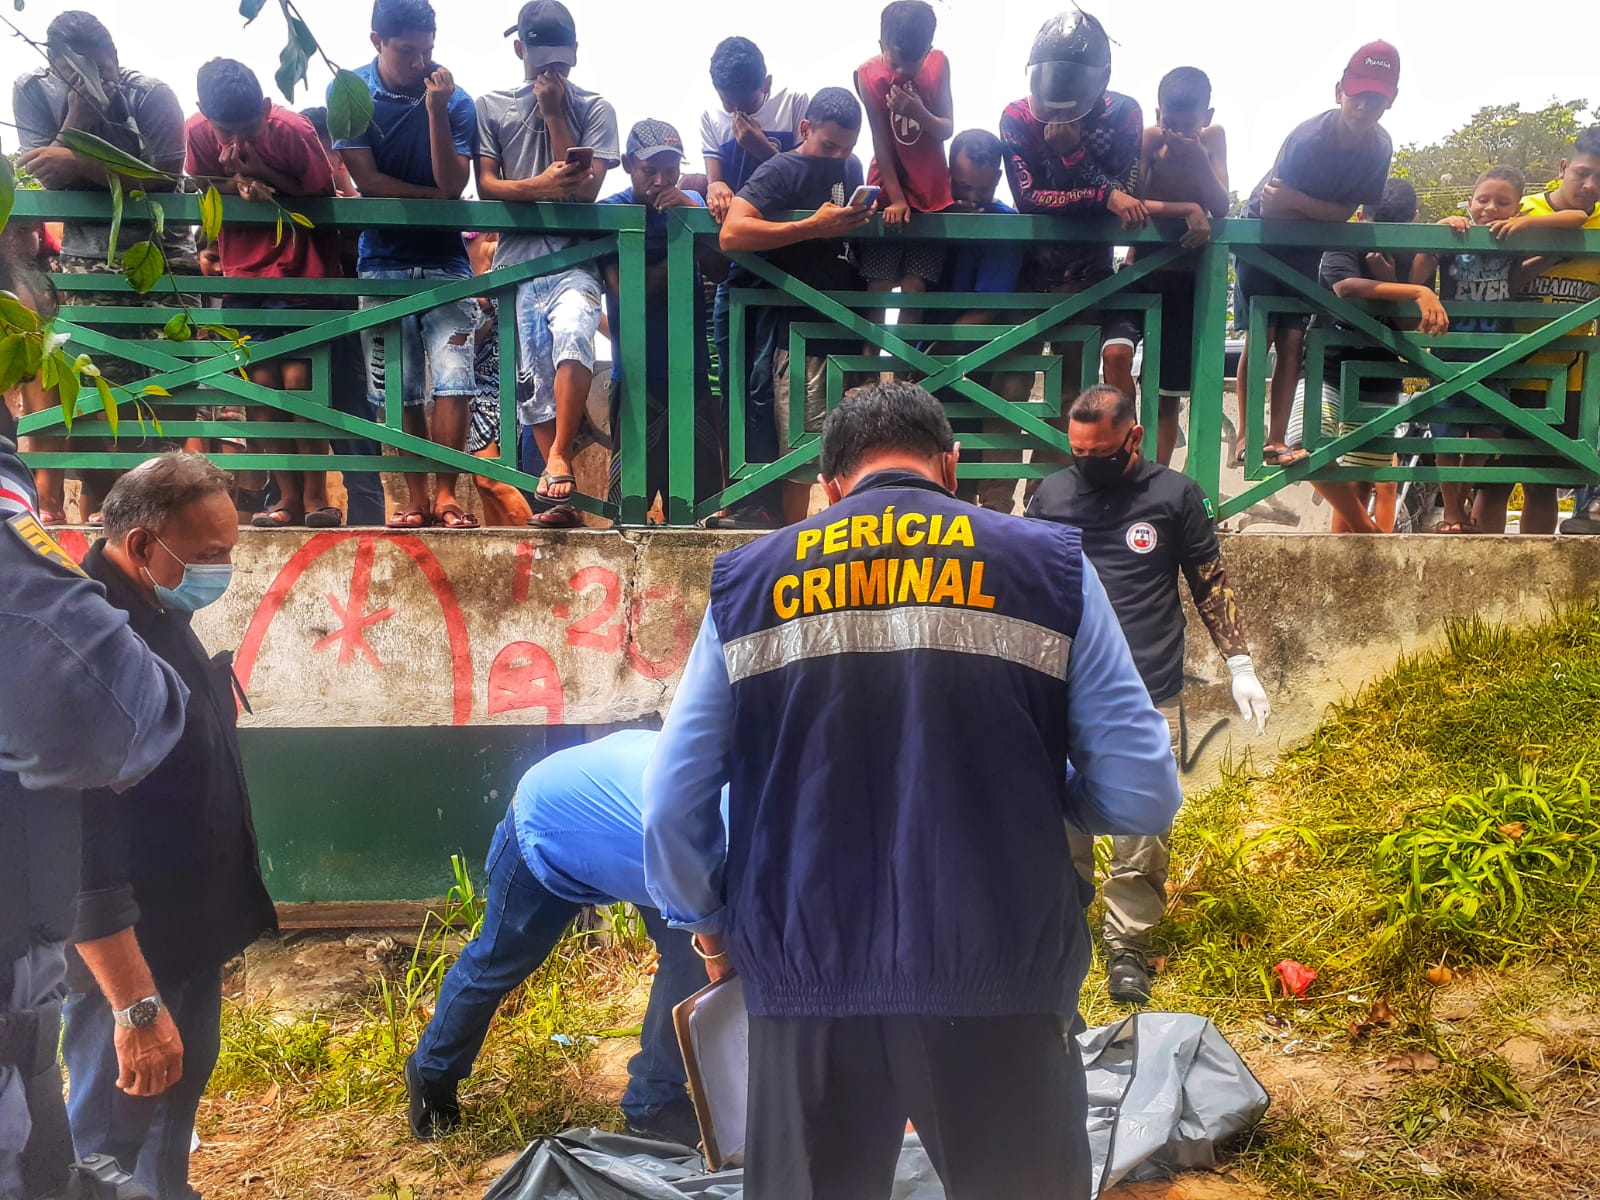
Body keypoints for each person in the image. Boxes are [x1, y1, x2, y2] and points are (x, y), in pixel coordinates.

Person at [643, 381, 1183, 1200]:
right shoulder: (1049, 566)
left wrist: (710, 928)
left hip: (807, 985)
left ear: (828, 486)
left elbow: (672, 803)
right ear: (952, 466)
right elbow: (1144, 792)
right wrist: (1055, 795)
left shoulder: (748, 582)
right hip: (1001, 975)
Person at [1, 261, 188, 1200]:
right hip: (78, 959)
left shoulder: (161, 616)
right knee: (96, 1126)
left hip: (155, 939)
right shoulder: (77, 613)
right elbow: (112, 728)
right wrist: (136, 995)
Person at [62, 454, 277, 1200]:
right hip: (131, 963)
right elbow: (85, 852)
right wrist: (135, 1006)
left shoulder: (162, 609)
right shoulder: (95, 649)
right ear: (145, 546)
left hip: (188, 937)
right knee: (112, 1144)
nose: (225, 569)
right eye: (212, 555)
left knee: (168, 1124)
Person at [1027, 384, 1270, 1004]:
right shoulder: (1051, 494)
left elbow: (1209, 580)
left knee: (1142, 827)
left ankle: (1128, 944)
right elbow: (1024, 585)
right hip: (1059, 689)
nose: (1089, 463)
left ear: (1133, 437)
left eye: (1102, 452)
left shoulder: (1174, 495)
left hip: (1145, 692)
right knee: (1058, 821)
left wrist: (1240, 661)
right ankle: (1062, 930)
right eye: (1079, 451)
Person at [405, 731, 710, 1148]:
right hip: (549, 822)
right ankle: (431, 1071)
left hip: (632, 830)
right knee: (498, 961)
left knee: (688, 956)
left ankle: (654, 1103)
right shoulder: (718, 838)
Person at [12, 10, 197, 524]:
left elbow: (163, 178)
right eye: (66, 73)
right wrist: (77, 117)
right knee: (95, 389)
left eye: (92, 72)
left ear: (112, 59)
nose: (88, 81)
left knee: (172, 385)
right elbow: (44, 176)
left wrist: (78, 163)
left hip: (165, 258)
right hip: (85, 257)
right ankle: (117, 508)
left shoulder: (151, 94)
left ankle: (159, 510)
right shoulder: (33, 90)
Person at [333, 0, 482, 531]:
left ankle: (447, 497)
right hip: (382, 262)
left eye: (428, 50)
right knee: (399, 387)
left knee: (454, 378)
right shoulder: (350, 93)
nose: (421, 62)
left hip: (446, 261)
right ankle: (416, 498)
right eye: (407, 51)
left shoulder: (455, 99)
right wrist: (430, 198)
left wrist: (435, 110)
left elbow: (452, 185)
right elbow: (366, 182)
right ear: (377, 41)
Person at [186, 57, 346, 531]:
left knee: (300, 384)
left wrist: (268, 184)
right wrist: (231, 185)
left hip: (301, 272)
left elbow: (323, 195)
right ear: (205, 114)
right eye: (225, 131)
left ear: (264, 106)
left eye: (246, 128)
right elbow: (200, 185)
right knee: (260, 388)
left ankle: (318, 497)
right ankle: (287, 497)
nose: (235, 140)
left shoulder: (292, 130)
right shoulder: (196, 133)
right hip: (243, 274)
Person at [476, 0, 618, 529]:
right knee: (532, 379)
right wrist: (537, 187)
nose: (553, 72)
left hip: (574, 257)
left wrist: (557, 114)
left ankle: (558, 458)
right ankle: (560, 496)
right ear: (521, 51)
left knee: (576, 330)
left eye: (562, 61)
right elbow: (487, 186)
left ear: (576, 54)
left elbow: (584, 192)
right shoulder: (490, 105)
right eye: (542, 62)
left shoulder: (596, 108)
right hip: (516, 265)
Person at [1234, 40, 1399, 470]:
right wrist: (1323, 213)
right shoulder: (1307, 137)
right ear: (1339, 90)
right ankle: (1246, 434)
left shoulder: (1380, 147)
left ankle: (1274, 439)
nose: (1364, 106)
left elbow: (1351, 214)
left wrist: (1302, 204)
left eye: (1375, 99)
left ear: (1390, 101)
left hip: (1305, 247)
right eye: (1358, 95)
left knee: (1294, 341)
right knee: (1262, 333)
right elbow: (1272, 207)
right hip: (1261, 240)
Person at [717, 88, 875, 526]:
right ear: (805, 129)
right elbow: (731, 234)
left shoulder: (851, 166)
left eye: (847, 147)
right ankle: (794, 544)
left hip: (843, 323)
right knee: (803, 455)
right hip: (797, 330)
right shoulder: (781, 169)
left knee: (843, 452)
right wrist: (810, 227)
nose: (838, 156)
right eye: (829, 146)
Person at [999, 11, 1145, 424]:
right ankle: (994, 492)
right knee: (1009, 386)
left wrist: (1073, 155)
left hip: (1088, 281)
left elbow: (1125, 194)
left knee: (1071, 396)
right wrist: (1102, 194)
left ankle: (1048, 490)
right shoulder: (1017, 116)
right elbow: (1029, 199)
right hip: (1028, 278)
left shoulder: (1124, 114)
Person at [1287, 179, 1445, 534]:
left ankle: (1347, 558)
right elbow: (1346, 289)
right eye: (1376, 224)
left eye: (1396, 228)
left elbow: (1410, 326)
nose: (1384, 235)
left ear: (1413, 221)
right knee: (1302, 445)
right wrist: (1416, 290)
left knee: (1361, 474)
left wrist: (1404, 286)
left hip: (1380, 372)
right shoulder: (1346, 242)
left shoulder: (1416, 256)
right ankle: (1370, 532)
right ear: (1361, 216)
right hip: (1327, 366)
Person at [699, 37, 808, 530]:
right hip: (739, 273)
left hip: (788, 273)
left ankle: (766, 501)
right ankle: (741, 495)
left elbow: (811, 180)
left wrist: (761, 148)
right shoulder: (711, 121)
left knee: (769, 387)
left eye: (746, 96)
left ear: (765, 84)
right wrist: (715, 186)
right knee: (736, 385)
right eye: (728, 99)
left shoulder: (796, 106)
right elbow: (716, 182)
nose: (736, 109)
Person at [599, 120, 727, 518]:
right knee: (628, 513)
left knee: (699, 512)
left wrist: (694, 216)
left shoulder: (687, 201)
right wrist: (681, 242)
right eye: (649, 170)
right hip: (637, 379)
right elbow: (628, 293)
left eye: (670, 170)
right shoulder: (612, 211)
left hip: (690, 376)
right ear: (627, 165)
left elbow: (720, 269)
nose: (660, 180)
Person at [1474, 130, 1600, 535]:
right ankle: (1484, 577)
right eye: (1582, 173)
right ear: (1563, 168)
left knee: (1542, 484)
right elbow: (1481, 280)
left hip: (1568, 377)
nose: (1590, 185)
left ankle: (1536, 589)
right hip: (1504, 369)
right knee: (1493, 485)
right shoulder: (1515, 208)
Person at [1425, 166, 1532, 533]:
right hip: (1451, 353)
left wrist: (1526, 229)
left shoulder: (1515, 242)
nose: (1490, 208)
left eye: (1502, 203)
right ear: (1469, 202)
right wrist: (1441, 226)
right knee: (1446, 433)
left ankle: (1463, 496)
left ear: (1516, 208)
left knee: (1487, 432)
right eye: (1482, 200)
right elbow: (1423, 264)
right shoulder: (1456, 236)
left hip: (1496, 356)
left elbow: (1559, 231)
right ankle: (1452, 512)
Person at [1133, 67, 1231, 465]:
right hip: (1146, 271)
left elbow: (1222, 206)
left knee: (1170, 391)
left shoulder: (1213, 139)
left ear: (1206, 116)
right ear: (1158, 113)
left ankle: (1158, 475)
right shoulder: (1149, 139)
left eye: (1186, 124)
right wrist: (1186, 207)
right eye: (1168, 121)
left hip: (1191, 277)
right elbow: (1133, 202)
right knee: (1141, 380)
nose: (1175, 131)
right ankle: (1130, 465)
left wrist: (1197, 159)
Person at [938, 128, 1030, 513]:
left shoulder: (1005, 222)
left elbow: (988, 307)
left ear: (997, 177)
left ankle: (996, 523)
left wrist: (931, 349)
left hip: (993, 355)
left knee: (998, 433)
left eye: (981, 189)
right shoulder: (934, 214)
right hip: (940, 357)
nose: (972, 199)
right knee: (945, 448)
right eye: (962, 187)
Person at [854, 1, 954, 300]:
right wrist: (896, 200)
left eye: (909, 66)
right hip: (888, 188)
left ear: (928, 50)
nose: (899, 73)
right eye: (894, 64)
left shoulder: (939, 64)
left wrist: (918, 112)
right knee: (878, 282)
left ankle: (906, 349)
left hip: (930, 192)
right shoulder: (868, 75)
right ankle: (870, 349)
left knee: (916, 284)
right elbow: (881, 141)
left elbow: (946, 129)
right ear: (881, 44)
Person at [464, 232, 535, 528]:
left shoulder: (510, 270)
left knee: (493, 482)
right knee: (486, 486)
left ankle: (540, 555)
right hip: (474, 388)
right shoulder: (460, 278)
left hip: (510, 387)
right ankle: (514, 566)